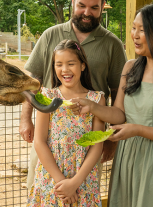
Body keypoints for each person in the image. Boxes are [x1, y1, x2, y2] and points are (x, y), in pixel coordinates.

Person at [71, 3, 153, 206]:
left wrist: (138, 130)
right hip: (128, 159)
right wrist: (93, 107)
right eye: (134, 28)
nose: (135, 35)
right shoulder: (130, 68)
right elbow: (120, 114)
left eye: (143, 30)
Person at [20, 0, 127, 191]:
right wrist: (25, 119)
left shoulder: (112, 43)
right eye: (81, 6)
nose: (87, 12)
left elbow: (118, 93)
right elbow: (32, 82)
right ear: (72, 2)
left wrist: (112, 139)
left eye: (94, 7)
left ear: (102, 7)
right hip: (49, 134)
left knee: (80, 192)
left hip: (89, 138)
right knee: (41, 188)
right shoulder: (51, 34)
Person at [28, 40, 105, 206]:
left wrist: (75, 183)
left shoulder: (96, 99)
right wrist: (62, 183)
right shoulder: (47, 96)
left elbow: (97, 146)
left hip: (83, 179)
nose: (65, 70)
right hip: (52, 179)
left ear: (83, 66)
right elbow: (40, 142)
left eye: (71, 64)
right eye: (59, 64)